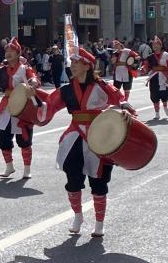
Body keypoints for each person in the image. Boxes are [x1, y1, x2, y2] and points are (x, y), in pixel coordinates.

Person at [43, 47, 134, 240]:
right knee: (72, 176)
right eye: (72, 63)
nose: (72, 66)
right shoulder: (67, 90)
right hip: (75, 134)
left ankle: (99, 222)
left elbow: (118, 98)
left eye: (76, 63)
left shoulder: (101, 85)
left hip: (98, 134)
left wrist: (124, 106)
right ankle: (78, 216)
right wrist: (33, 98)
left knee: (99, 180)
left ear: (87, 66)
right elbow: (49, 104)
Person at [0, 39, 40, 180]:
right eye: (6, 51)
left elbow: (34, 79)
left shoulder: (25, 68)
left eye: (11, 51)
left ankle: (27, 169)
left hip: (23, 107)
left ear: (18, 54)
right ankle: (9, 167)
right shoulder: (0, 69)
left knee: (24, 139)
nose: (8, 53)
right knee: (4, 138)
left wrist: (32, 85)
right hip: (7, 107)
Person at [141, 36, 168, 121]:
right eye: (153, 45)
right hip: (154, 77)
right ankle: (157, 113)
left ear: (160, 45)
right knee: (154, 94)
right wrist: (143, 68)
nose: (155, 46)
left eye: (156, 45)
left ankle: (165, 106)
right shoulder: (150, 57)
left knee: (165, 94)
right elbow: (146, 66)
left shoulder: (166, 55)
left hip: (164, 76)